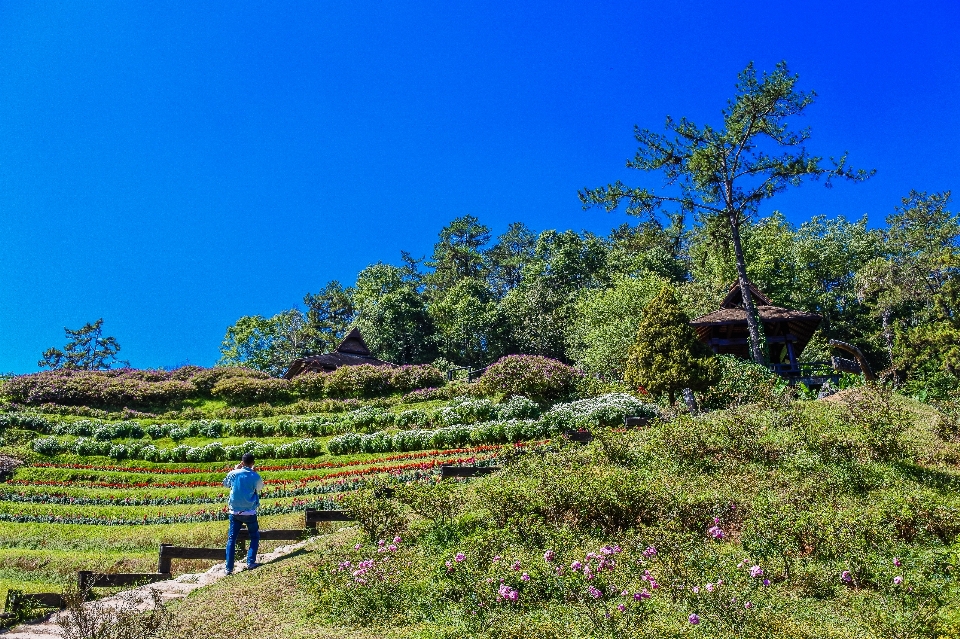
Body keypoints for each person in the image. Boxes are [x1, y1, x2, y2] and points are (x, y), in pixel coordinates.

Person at [222, 452, 265, 574]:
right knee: (254, 536)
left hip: (234, 512)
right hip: (249, 511)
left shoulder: (234, 474)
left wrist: (235, 469)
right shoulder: (254, 476)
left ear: (242, 462)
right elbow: (260, 487)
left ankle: (228, 568)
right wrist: (254, 472)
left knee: (231, 539)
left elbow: (225, 484)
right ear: (253, 463)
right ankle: (250, 562)